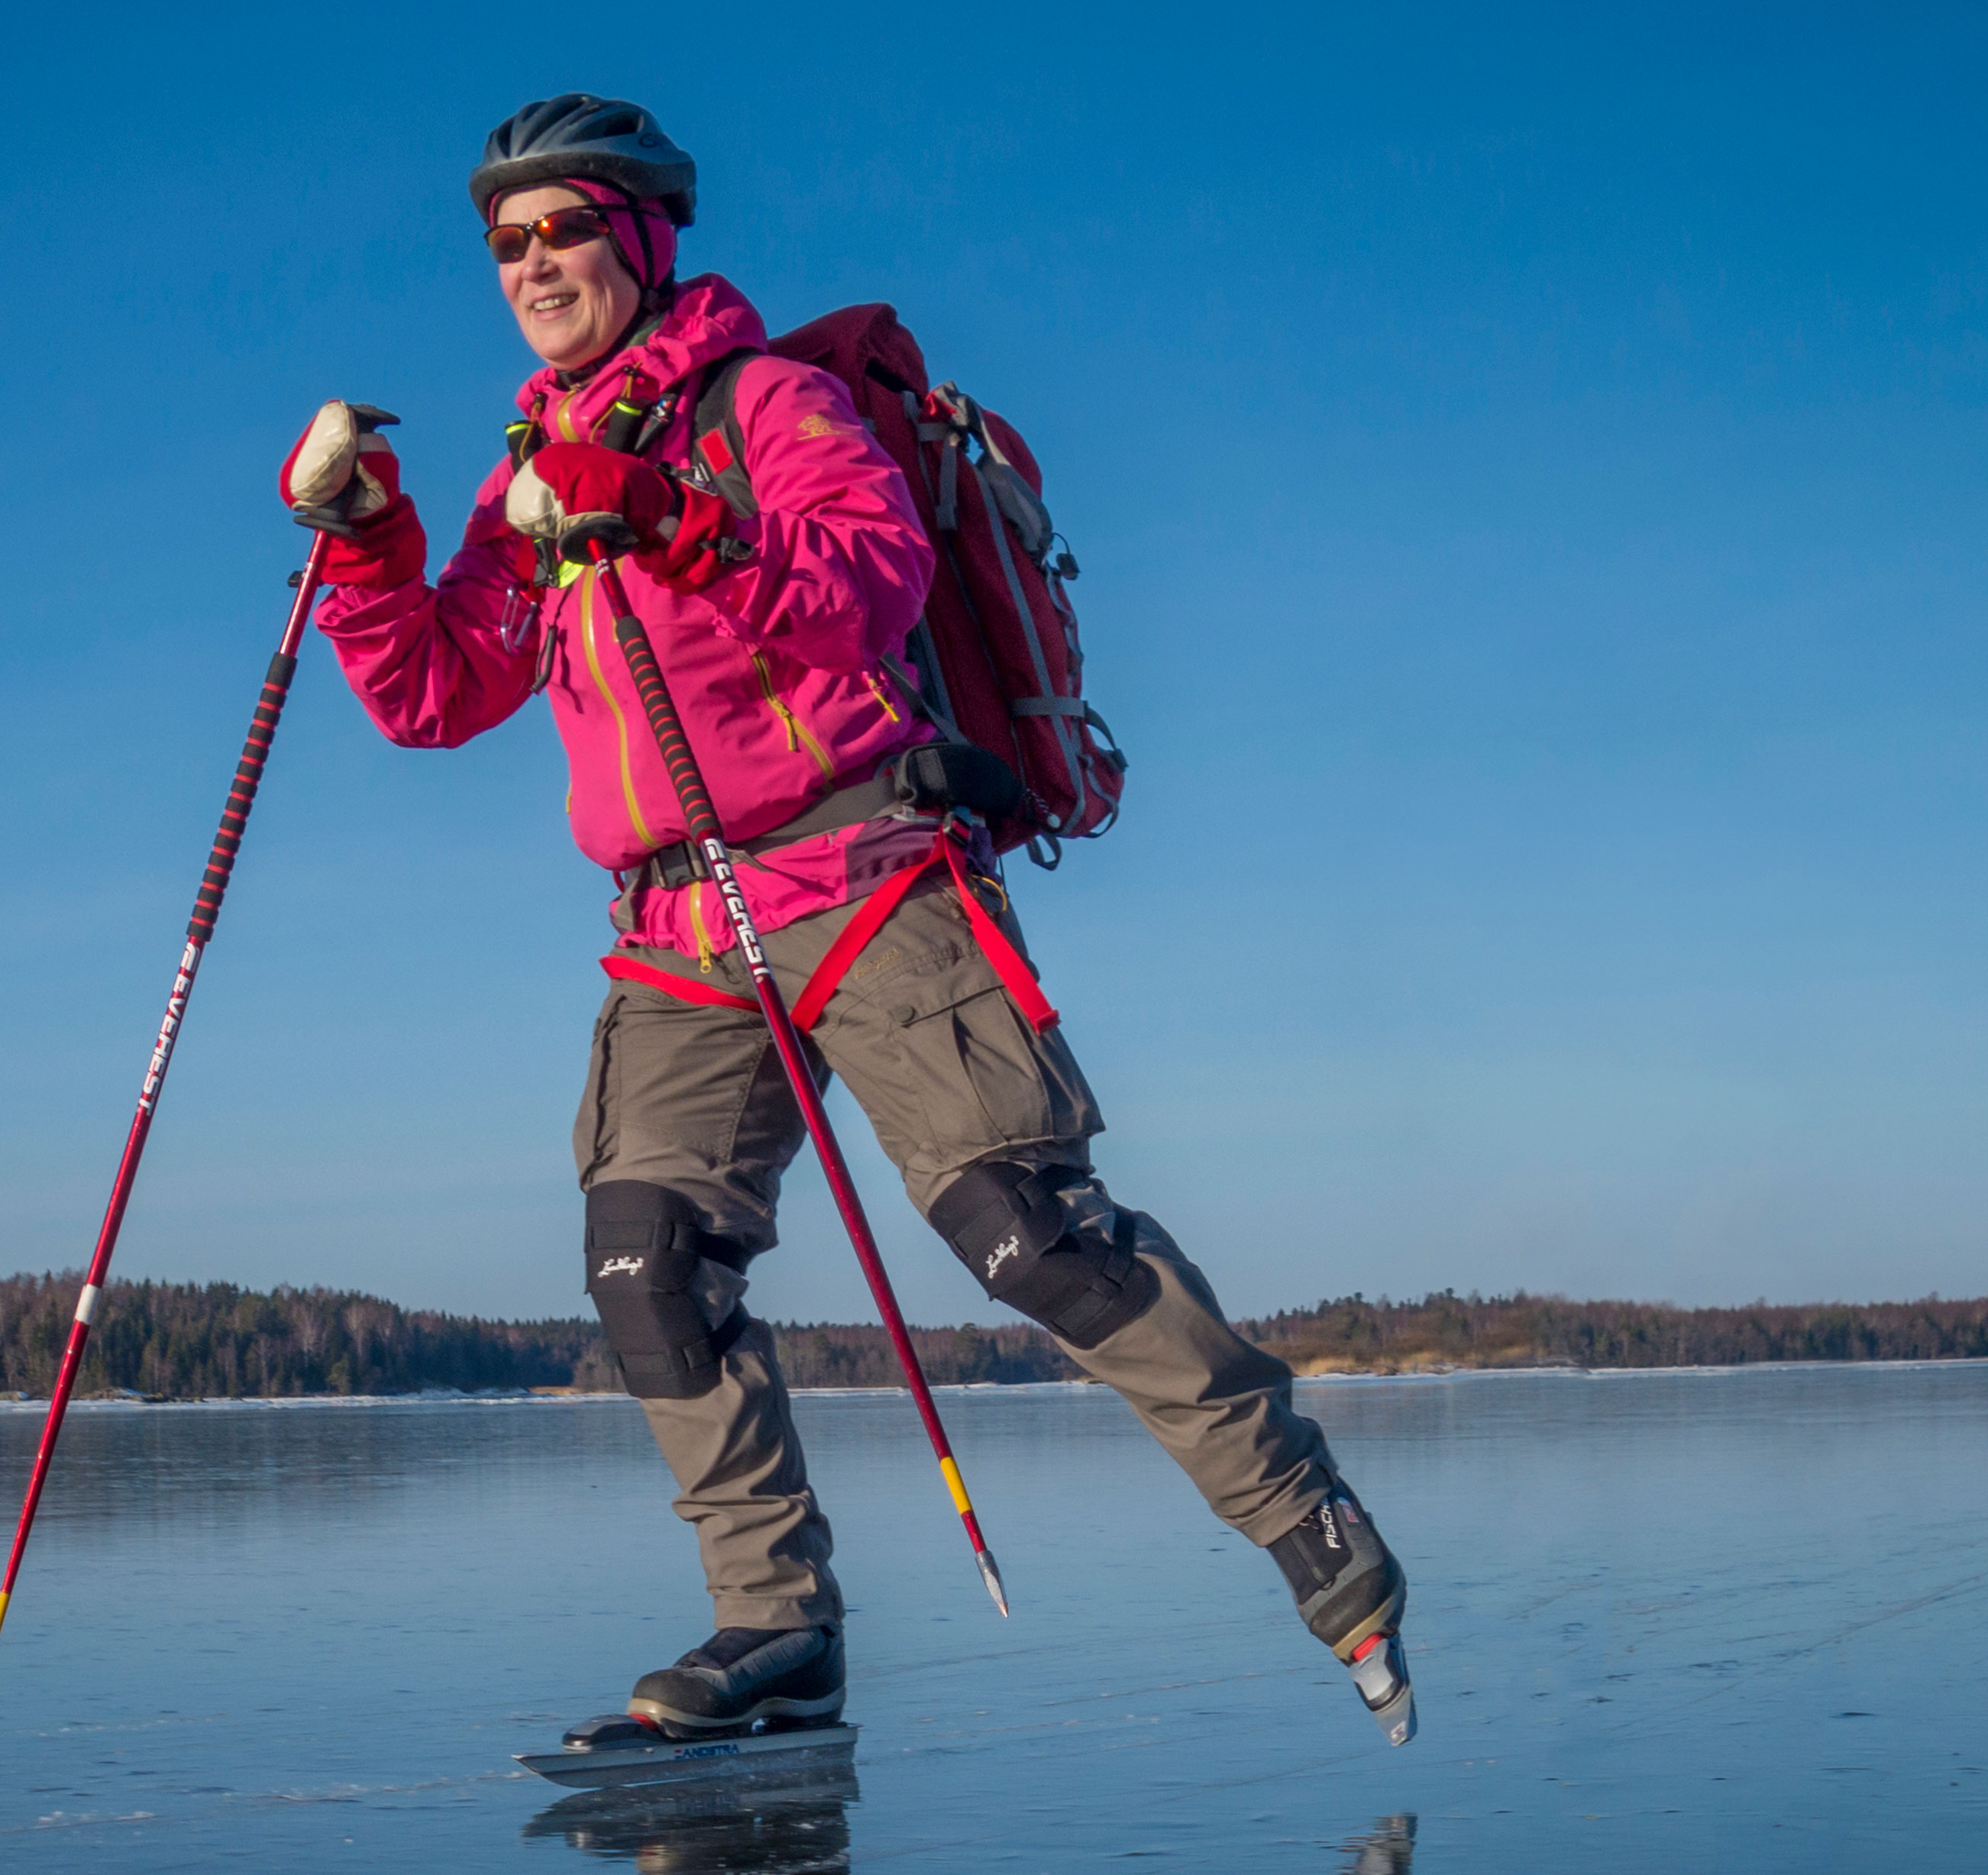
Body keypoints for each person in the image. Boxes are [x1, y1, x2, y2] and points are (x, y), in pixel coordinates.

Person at [278, 93, 1414, 1744]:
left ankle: (1309, 1521)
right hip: (678, 929)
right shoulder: (529, 480)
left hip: (862, 869)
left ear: (644, 240)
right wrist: (371, 542)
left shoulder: (769, 401)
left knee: (1026, 1231)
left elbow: (862, 589)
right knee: (644, 1264)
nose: (533, 263)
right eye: (504, 243)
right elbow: (443, 692)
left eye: (565, 228)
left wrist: (665, 511)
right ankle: (775, 1628)